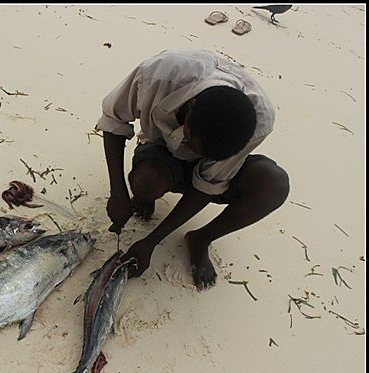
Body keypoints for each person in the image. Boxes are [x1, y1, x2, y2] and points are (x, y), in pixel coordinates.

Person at [96, 50, 290, 288]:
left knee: (274, 184)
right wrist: (118, 193)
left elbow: (208, 183)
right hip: (161, 149)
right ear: (191, 107)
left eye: (205, 156)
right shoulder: (158, 75)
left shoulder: (260, 122)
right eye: (189, 141)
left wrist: (152, 241)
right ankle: (146, 195)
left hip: (218, 171)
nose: (190, 153)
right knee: (147, 183)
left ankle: (201, 239)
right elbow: (113, 119)